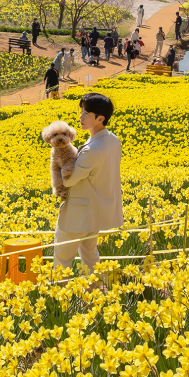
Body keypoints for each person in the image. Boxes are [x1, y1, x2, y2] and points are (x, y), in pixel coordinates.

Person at [53, 93, 123, 274]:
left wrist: (59, 163)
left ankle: (61, 299)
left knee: (62, 257)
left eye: (86, 114)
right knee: (90, 255)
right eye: (81, 112)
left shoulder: (92, 150)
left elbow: (70, 181)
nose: (80, 117)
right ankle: (93, 294)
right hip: (96, 212)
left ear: (100, 119)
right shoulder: (113, 141)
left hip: (79, 213)